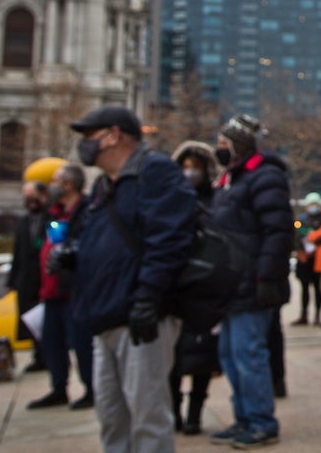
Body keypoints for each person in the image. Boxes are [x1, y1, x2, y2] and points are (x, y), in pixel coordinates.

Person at [62, 106, 196, 453]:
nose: (85, 146)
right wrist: (73, 254)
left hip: (142, 318)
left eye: (89, 137)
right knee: (112, 416)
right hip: (105, 317)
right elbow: (99, 240)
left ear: (113, 135)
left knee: (147, 417)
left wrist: (148, 296)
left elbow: (169, 240)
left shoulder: (156, 172)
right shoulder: (105, 186)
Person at [208, 114, 293, 449]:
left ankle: (261, 422)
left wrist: (266, 277)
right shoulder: (233, 178)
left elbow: (278, 231)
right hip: (232, 284)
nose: (219, 151)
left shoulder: (265, 176)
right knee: (230, 355)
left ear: (238, 146)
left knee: (248, 354)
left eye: (223, 145)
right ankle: (244, 418)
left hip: (252, 283)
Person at [29, 163, 94, 410]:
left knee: (80, 343)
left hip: (74, 291)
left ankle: (90, 389)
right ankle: (58, 387)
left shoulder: (87, 210)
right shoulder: (55, 213)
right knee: (52, 341)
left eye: (56, 181)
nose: (51, 186)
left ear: (68, 184)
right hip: (52, 291)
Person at [167, 141, 221, 435]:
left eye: (196, 168)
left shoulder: (216, 200)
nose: (190, 173)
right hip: (175, 288)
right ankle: (173, 409)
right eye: (185, 167)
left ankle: (195, 413)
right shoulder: (170, 200)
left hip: (203, 288)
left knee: (201, 357)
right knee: (171, 360)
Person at [7, 177, 49, 373]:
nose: (29, 200)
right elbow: (17, 252)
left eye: (33, 196)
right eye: (26, 197)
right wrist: (12, 280)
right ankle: (37, 355)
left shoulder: (51, 218)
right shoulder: (23, 222)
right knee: (29, 321)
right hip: (26, 279)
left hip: (45, 278)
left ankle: (48, 355)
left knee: (47, 321)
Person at [292, 192, 321, 326]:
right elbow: (296, 239)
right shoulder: (301, 221)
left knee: (319, 289)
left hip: (318, 259)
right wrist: (300, 252)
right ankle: (304, 314)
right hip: (304, 259)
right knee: (304, 289)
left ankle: (318, 315)